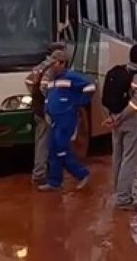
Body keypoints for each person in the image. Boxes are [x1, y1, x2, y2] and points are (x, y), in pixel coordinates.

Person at [38, 49, 96, 192]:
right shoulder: (52, 80)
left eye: (54, 63)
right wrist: (47, 110)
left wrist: (77, 102)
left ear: (62, 63)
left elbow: (91, 86)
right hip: (54, 119)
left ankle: (82, 174)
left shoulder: (72, 77)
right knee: (53, 149)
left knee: (61, 150)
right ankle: (54, 182)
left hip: (66, 119)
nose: (51, 66)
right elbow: (49, 97)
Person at [102, 44, 137, 211]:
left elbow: (107, 97)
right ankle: (124, 199)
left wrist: (112, 118)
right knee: (129, 159)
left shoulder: (118, 72)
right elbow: (135, 105)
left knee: (118, 158)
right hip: (132, 123)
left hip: (116, 121)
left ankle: (119, 193)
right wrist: (120, 118)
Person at [25, 42, 66, 185]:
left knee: (41, 141)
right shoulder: (50, 70)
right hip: (45, 110)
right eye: (63, 62)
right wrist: (50, 101)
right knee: (46, 143)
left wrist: (34, 95)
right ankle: (40, 174)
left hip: (37, 108)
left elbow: (28, 80)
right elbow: (44, 86)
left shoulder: (40, 67)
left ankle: (42, 171)